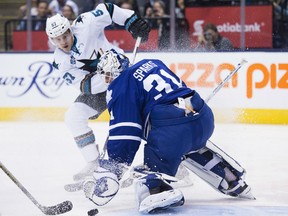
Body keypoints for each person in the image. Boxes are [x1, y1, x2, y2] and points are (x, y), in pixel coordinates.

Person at [82, 49, 255, 213]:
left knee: (146, 171)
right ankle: (232, 179)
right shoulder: (152, 63)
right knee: (187, 148)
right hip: (203, 117)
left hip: (173, 131)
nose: (106, 80)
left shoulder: (119, 85)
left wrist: (115, 166)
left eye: (107, 75)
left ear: (113, 73)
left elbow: (127, 130)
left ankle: (157, 191)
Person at [45, 3, 150, 181]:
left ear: (70, 30)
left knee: (143, 118)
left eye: (65, 35)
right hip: (101, 87)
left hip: (124, 76)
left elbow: (108, 9)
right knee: (73, 117)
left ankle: (170, 163)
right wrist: (106, 77)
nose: (63, 42)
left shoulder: (86, 23)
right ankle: (93, 162)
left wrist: (130, 20)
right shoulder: (60, 61)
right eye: (57, 39)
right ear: (51, 40)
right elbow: (85, 87)